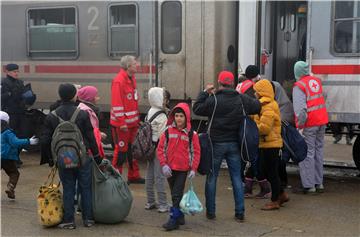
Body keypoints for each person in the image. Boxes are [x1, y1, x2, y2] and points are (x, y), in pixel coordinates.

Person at [193, 71, 261, 221]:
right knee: (236, 178)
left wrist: (205, 92)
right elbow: (257, 107)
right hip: (234, 144)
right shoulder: (241, 98)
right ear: (232, 83)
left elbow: (197, 109)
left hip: (216, 144)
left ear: (219, 83)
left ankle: (211, 212)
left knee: (212, 177)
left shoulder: (214, 100)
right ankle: (240, 212)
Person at [40, 83, 103, 229]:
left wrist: (50, 159)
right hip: (83, 157)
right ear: (75, 95)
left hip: (63, 158)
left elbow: (45, 140)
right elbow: (90, 137)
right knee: (85, 187)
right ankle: (88, 219)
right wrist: (97, 156)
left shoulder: (52, 116)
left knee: (68, 188)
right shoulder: (82, 113)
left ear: (60, 96)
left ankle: (69, 220)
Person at [157, 103, 200, 231]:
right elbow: (160, 149)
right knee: (175, 193)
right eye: (176, 115)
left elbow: (195, 152)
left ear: (186, 117)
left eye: (181, 116)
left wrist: (193, 168)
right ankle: (180, 215)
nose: (179, 118)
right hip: (170, 169)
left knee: (176, 195)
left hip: (182, 169)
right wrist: (164, 164)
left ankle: (173, 219)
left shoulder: (192, 134)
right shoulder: (168, 131)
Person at [292, 61, 328, 194]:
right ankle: (319, 183)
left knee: (307, 153)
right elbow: (322, 98)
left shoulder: (299, 86)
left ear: (297, 72)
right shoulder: (316, 81)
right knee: (318, 151)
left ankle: (309, 185)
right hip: (321, 120)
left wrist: (300, 127)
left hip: (309, 123)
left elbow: (301, 111)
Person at [253, 79, 288, 210]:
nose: (254, 94)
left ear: (261, 92)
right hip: (268, 144)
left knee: (271, 173)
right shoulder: (266, 105)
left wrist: (253, 126)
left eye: (256, 91)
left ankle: (274, 200)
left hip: (270, 145)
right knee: (268, 172)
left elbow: (264, 128)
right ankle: (282, 194)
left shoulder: (267, 106)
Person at [110, 55, 145, 184]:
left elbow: (132, 101)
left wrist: (136, 119)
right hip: (122, 126)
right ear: (129, 66)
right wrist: (122, 123)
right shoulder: (119, 81)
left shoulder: (131, 78)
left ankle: (133, 175)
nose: (137, 65)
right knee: (121, 151)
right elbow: (117, 104)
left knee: (132, 150)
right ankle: (115, 178)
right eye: (135, 63)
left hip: (132, 124)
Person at [1, 111, 38, 200]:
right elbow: (15, 142)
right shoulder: (8, 133)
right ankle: (10, 187)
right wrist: (28, 141)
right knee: (14, 173)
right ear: (7, 121)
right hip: (7, 157)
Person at [144, 87, 170, 213]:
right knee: (160, 176)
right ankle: (163, 204)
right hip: (158, 148)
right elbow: (163, 136)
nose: (165, 100)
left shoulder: (150, 110)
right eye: (163, 97)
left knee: (149, 175)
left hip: (149, 147)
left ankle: (150, 201)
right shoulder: (162, 115)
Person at [1, 64, 26, 166]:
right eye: (14, 71)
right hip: (9, 113)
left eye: (17, 71)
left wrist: (28, 96)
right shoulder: (4, 82)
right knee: (11, 136)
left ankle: (16, 157)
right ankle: (11, 159)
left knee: (21, 134)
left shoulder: (20, 82)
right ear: (8, 72)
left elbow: (23, 95)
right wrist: (9, 94)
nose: (16, 73)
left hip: (20, 111)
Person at [77, 86, 105, 157]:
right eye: (95, 96)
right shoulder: (89, 112)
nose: (97, 98)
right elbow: (91, 132)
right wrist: (99, 135)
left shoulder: (80, 108)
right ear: (90, 98)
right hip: (88, 149)